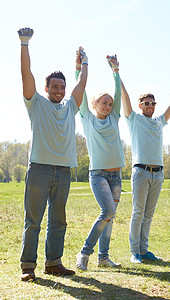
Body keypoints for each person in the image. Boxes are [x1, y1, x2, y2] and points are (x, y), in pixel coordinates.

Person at [18, 27, 87, 281]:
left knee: (58, 220)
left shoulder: (70, 108)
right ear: (46, 88)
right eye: (54, 86)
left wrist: (84, 63)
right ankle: (28, 267)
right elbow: (26, 74)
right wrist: (25, 44)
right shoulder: (36, 103)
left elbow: (81, 84)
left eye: (62, 87)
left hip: (63, 170)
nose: (59, 90)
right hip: (39, 169)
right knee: (33, 220)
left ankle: (53, 263)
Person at [122, 72, 170, 264]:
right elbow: (124, 97)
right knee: (138, 212)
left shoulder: (159, 122)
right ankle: (134, 253)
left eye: (153, 103)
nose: (150, 106)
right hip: (140, 172)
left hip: (158, 174)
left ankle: (144, 250)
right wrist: (117, 73)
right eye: (146, 103)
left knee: (148, 214)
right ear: (140, 105)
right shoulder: (134, 119)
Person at [75, 55, 125, 270]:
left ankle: (103, 258)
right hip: (99, 174)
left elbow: (118, 94)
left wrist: (115, 71)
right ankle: (84, 253)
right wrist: (79, 68)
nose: (108, 105)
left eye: (110, 104)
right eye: (104, 102)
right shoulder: (87, 117)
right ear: (95, 103)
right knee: (107, 212)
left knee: (110, 217)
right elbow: (82, 92)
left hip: (116, 175)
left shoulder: (114, 117)